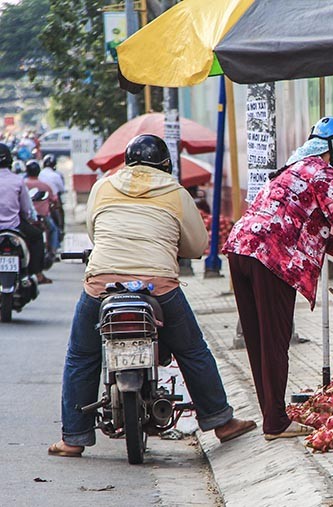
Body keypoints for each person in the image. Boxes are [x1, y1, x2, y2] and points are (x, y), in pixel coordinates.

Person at [48, 134, 256, 458]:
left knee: (82, 356)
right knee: (192, 350)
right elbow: (197, 245)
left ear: (128, 161)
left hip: (103, 285)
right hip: (158, 287)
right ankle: (220, 422)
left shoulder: (103, 186)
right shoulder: (175, 192)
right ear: (165, 164)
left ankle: (73, 438)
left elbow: (94, 229)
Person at [223, 117, 333, 440]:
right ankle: (276, 422)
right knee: (275, 340)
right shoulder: (321, 170)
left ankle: (272, 415)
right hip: (271, 257)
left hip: (241, 250)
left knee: (258, 340)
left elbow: (310, 228)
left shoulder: (293, 170)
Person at [0, 143, 46, 282]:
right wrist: (31, 218)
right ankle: (35, 273)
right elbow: (27, 210)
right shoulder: (17, 180)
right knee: (37, 236)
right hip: (15, 226)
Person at [24, 160, 61, 255]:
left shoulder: (23, 184)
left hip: (26, 218)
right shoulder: (45, 185)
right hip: (43, 217)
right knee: (53, 229)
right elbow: (55, 200)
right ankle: (53, 250)